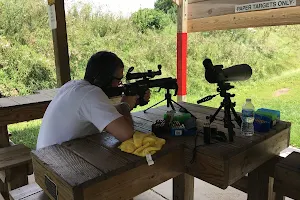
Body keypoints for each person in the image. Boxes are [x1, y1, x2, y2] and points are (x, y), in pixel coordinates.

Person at [36, 51, 150, 150]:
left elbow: (104, 113)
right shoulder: (91, 94)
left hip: (50, 157)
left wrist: (127, 104)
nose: (119, 85)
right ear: (104, 78)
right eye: (117, 80)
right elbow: (127, 135)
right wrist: (125, 106)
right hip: (60, 162)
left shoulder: (73, 86)